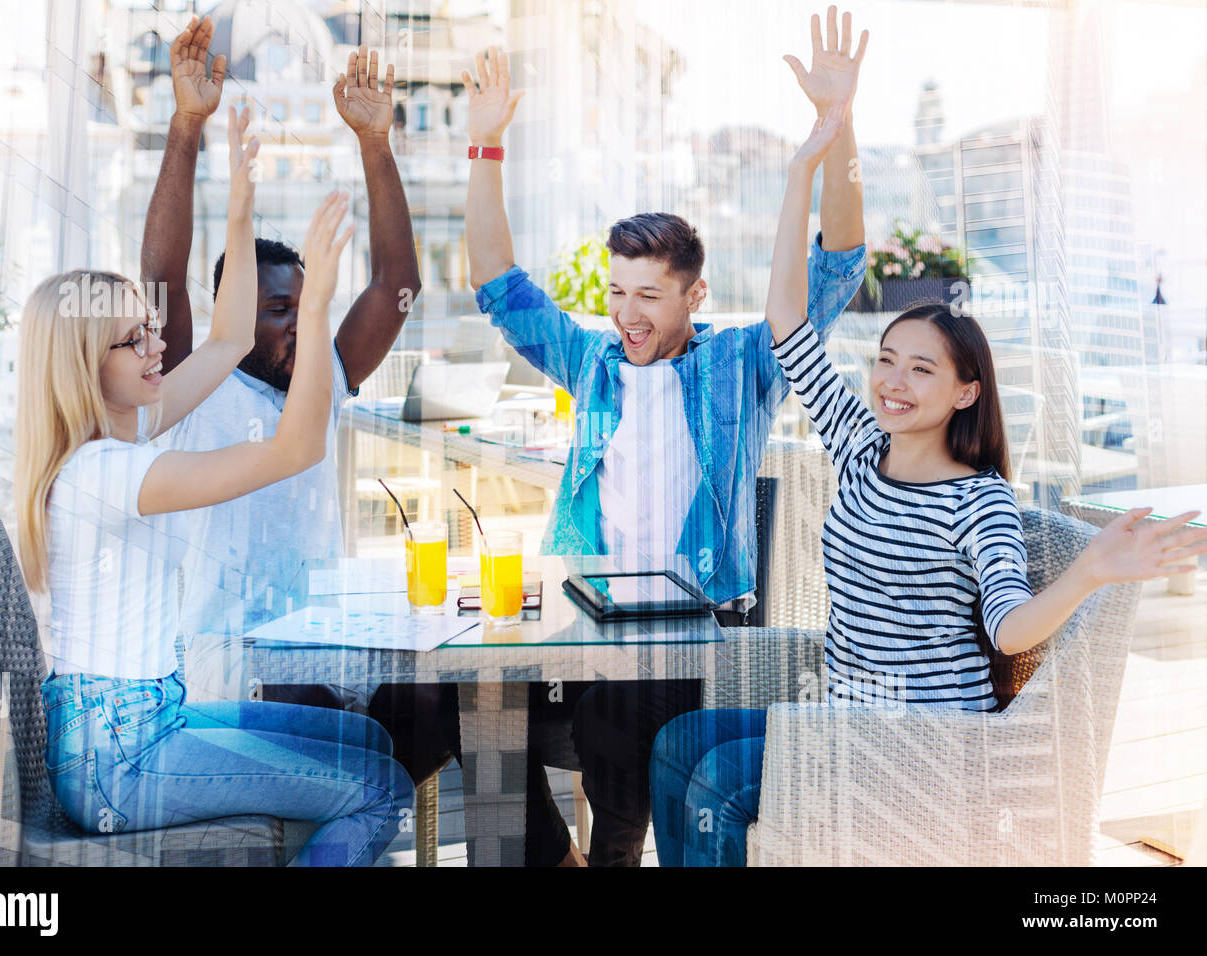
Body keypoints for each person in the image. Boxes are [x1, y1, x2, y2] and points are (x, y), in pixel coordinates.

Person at [649, 98, 1207, 867]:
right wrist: (802, 167)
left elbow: (1009, 626)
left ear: (966, 392)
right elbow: (785, 315)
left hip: (919, 749)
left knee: (716, 780)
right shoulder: (856, 443)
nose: (893, 382)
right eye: (885, 360)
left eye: (921, 369)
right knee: (678, 742)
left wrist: (1089, 572)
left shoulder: (978, 500)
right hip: (840, 721)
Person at [461, 5, 868, 866]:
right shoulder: (592, 360)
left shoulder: (742, 364)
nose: (627, 313)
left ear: (693, 293)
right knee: (478, 720)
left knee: (622, 791)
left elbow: (836, 269)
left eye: (648, 295)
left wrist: (839, 129)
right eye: (616, 292)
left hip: (689, 631)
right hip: (585, 621)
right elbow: (496, 284)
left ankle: (605, 852)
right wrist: (487, 146)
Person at [13, 97, 413, 864]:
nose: (156, 345)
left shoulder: (129, 432)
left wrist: (240, 199)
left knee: (361, 738)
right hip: (119, 763)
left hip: (136, 725)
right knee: (376, 786)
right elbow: (292, 450)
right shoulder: (110, 473)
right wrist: (320, 299)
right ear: (84, 366)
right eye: (135, 339)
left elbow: (230, 335)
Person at [142, 18, 456, 789]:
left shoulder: (325, 377)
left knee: (440, 710)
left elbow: (395, 289)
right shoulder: (192, 382)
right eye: (281, 308)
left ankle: (351, 822)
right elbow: (160, 277)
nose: (299, 321)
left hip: (331, 638)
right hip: (237, 657)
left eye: (307, 304)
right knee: (323, 725)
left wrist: (376, 145)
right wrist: (187, 126)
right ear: (232, 309)